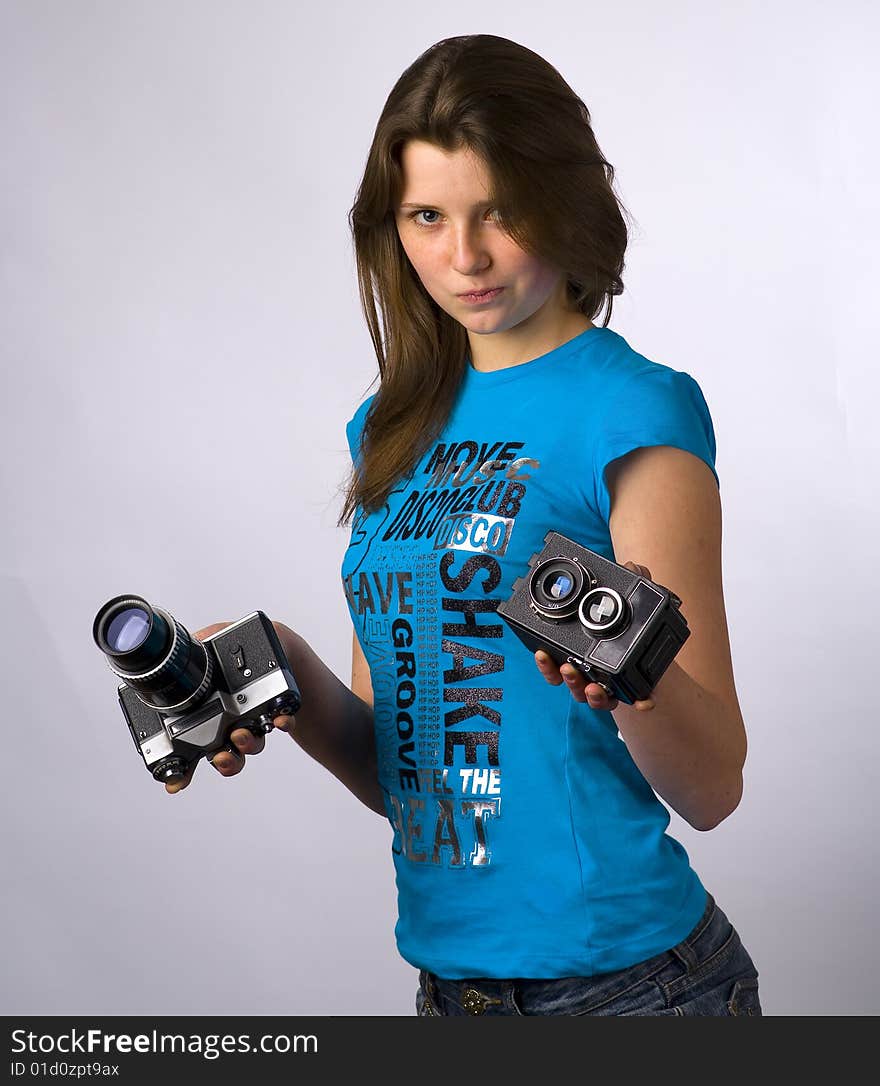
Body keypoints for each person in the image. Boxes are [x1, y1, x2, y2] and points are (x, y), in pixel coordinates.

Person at [169, 34, 762, 1016]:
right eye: (427, 216)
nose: (464, 256)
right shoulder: (390, 425)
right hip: (453, 990)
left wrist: (626, 679)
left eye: (499, 211)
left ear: (563, 201)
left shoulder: (634, 412)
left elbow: (713, 788)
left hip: (631, 989)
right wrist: (286, 676)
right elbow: (407, 773)